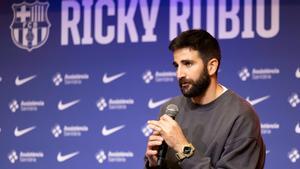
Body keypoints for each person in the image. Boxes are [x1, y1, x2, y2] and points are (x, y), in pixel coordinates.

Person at [144, 29, 265, 169]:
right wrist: (153, 164)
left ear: (211, 66)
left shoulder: (241, 116)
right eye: (177, 66)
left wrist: (182, 147)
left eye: (187, 64)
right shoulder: (170, 109)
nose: (179, 74)